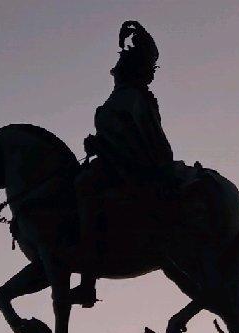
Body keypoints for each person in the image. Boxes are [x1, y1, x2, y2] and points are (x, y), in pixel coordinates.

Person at [74, 21, 176, 307]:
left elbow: (136, 141)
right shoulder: (125, 97)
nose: (114, 69)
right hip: (114, 163)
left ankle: (87, 282)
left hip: (130, 168)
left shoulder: (131, 97)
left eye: (119, 66)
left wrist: (101, 146)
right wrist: (97, 145)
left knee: (84, 186)